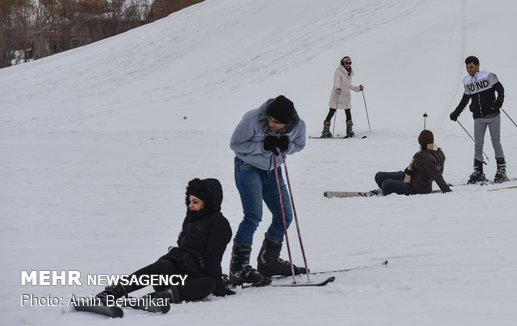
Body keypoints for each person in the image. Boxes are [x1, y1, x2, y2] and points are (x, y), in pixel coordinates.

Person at [94, 178, 234, 312]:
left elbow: (213, 257)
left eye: (195, 202)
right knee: (161, 267)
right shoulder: (192, 216)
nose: (190, 205)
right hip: (175, 266)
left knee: (208, 284)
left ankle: (157, 298)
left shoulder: (219, 224)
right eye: (189, 201)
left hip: (193, 277)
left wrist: (218, 287)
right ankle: (111, 293)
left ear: (208, 202)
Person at [229, 95, 307, 287]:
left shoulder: (299, 126)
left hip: (273, 169)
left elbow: (299, 145)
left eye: (276, 123)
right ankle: (238, 269)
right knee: (253, 216)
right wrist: (263, 145)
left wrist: (286, 146)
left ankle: (268, 263)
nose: (271, 124)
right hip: (247, 166)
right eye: (270, 120)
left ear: (287, 123)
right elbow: (236, 144)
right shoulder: (253, 118)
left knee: (285, 216)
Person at [449, 56, 507, 183]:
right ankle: (478, 170)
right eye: (467, 68)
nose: (469, 70)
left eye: (471, 67)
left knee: (495, 141)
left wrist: (499, 101)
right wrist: (456, 113)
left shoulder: (488, 76)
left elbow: (500, 89)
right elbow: (465, 99)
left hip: (493, 116)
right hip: (478, 118)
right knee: (478, 144)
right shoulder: (467, 82)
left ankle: (501, 169)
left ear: (477, 66)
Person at [372, 130, 452, 196]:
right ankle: (386, 189)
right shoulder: (434, 152)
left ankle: (386, 190)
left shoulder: (426, 157)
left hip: (415, 187)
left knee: (386, 183)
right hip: (408, 176)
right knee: (379, 176)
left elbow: (437, 175)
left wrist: (446, 189)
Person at [321, 56, 364, 138]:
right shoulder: (338, 72)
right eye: (346, 63)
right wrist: (337, 88)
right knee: (332, 111)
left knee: (348, 112)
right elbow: (336, 81)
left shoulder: (349, 72)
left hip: (345, 96)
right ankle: (325, 131)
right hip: (337, 94)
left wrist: (358, 89)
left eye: (350, 63)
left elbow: (348, 85)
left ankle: (349, 131)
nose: (348, 64)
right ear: (343, 63)